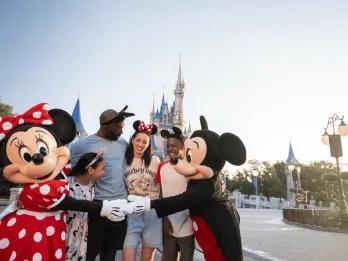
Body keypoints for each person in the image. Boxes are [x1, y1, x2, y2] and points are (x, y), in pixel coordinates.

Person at [69, 105, 134, 261]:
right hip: (97, 205)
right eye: (118, 128)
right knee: (89, 252)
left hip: (120, 206)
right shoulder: (81, 145)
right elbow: (74, 174)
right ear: (106, 125)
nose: (122, 131)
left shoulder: (123, 144)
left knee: (110, 253)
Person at [122, 120, 162, 261]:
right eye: (138, 140)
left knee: (147, 258)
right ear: (132, 140)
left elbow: (162, 186)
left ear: (148, 144)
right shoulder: (125, 161)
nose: (140, 144)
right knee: (128, 250)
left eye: (144, 142)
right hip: (133, 212)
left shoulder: (154, 160)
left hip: (152, 212)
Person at [156, 127, 195, 261]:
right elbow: (162, 195)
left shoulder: (191, 167)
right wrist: (165, 219)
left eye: (174, 145)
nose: (170, 148)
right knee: (168, 257)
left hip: (187, 222)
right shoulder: (162, 167)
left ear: (183, 146)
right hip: (169, 222)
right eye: (168, 146)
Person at [66, 151, 106, 261]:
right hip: (67, 230)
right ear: (90, 171)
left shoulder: (92, 185)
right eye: (102, 169)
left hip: (82, 231)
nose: (104, 172)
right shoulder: (67, 184)